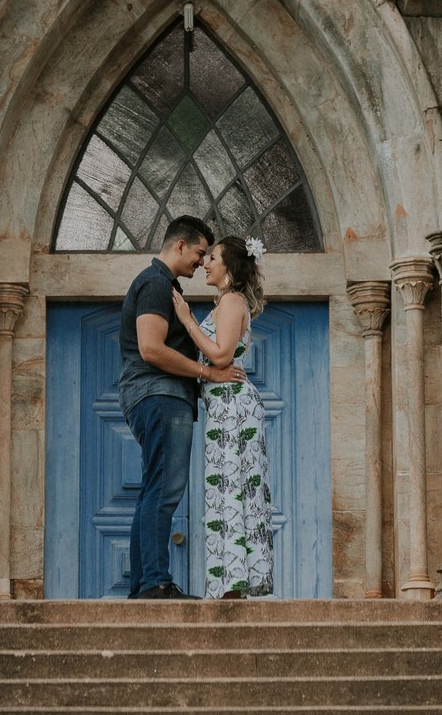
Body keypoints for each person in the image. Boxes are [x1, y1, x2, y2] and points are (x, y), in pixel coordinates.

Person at [118, 216, 245, 599]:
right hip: (160, 394)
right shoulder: (156, 283)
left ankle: (143, 586)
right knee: (165, 489)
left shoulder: (161, 284)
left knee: (153, 489)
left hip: (154, 395)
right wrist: (207, 373)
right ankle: (156, 583)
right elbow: (151, 348)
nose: (201, 262)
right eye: (199, 253)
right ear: (179, 246)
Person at [172, 234, 274, 599]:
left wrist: (187, 321)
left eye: (212, 257)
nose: (205, 263)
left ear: (228, 266)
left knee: (232, 488)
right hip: (222, 405)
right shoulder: (226, 302)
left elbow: (220, 356)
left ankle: (233, 586)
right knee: (225, 488)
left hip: (233, 405)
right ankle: (230, 584)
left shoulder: (232, 301)